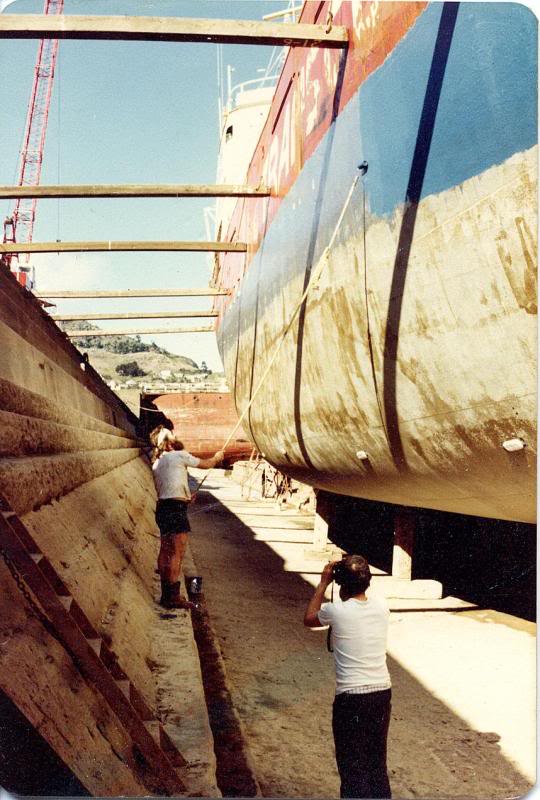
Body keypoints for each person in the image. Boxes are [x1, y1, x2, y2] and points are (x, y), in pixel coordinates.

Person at [304, 555, 392, 799]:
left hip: (351, 698)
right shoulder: (382, 606)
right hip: (381, 693)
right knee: (376, 763)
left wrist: (323, 583)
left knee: (352, 767)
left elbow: (309, 619)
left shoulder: (336, 611)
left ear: (341, 583)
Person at [151, 426, 224, 610]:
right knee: (177, 551)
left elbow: (168, 487)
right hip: (175, 508)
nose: (176, 436)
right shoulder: (179, 455)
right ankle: (172, 597)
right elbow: (206, 464)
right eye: (172, 435)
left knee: (165, 549)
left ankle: (166, 593)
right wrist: (217, 457)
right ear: (168, 443)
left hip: (163, 507)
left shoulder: (157, 463)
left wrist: (185, 498)